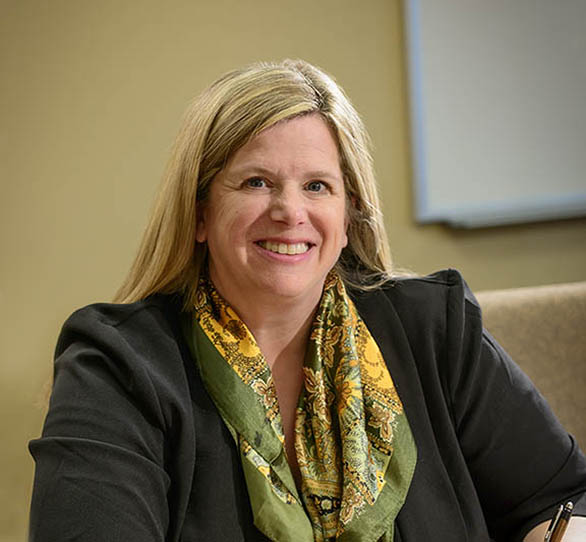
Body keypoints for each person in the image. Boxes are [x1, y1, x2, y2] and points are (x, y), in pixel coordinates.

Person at [29, 59, 586, 542]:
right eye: (255, 183)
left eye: (317, 186)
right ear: (199, 214)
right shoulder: (118, 367)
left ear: (346, 218)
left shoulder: (435, 331)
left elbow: (560, 501)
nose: (289, 211)